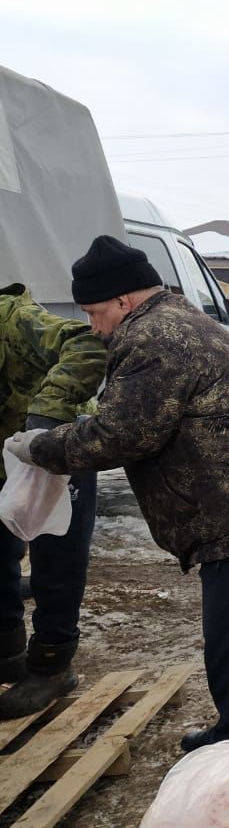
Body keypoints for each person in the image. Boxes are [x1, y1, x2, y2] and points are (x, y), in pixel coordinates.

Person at [5, 235, 229, 750]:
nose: (92, 326)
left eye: (93, 312)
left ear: (123, 300)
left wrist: (42, 447)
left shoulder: (153, 339)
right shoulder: (177, 321)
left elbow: (120, 435)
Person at [0, 284, 107, 719]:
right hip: (8, 454)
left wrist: (45, 421)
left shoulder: (14, 319)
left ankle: (52, 666)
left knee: (55, 561)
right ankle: (7, 654)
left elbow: (85, 344)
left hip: (58, 447)